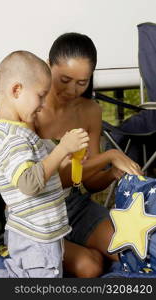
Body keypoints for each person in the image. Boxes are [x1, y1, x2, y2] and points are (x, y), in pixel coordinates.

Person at [0, 50, 90, 278]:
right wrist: (63, 148)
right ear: (17, 90)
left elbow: (42, 167)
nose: (44, 104)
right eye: (41, 95)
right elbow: (29, 183)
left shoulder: (20, 130)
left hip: (41, 230)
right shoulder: (10, 137)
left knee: (30, 276)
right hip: (34, 234)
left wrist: (66, 158)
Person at [35, 32, 143, 277]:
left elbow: (89, 183)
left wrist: (112, 173)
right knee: (90, 267)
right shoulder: (33, 109)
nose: (72, 89)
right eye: (64, 79)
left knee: (134, 249)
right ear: (48, 66)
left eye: (81, 82)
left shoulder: (90, 110)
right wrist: (109, 156)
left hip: (76, 207)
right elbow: (44, 181)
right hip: (38, 213)